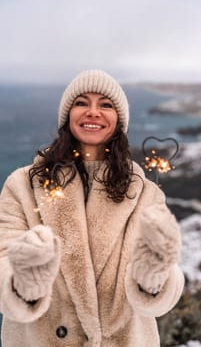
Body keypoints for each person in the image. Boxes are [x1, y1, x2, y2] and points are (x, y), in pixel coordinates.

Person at [0, 69, 184, 347]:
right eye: (81, 102)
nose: (93, 112)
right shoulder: (22, 185)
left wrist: (154, 275)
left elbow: (158, 303)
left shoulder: (147, 193)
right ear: (67, 115)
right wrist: (25, 282)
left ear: (119, 120)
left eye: (106, 105)